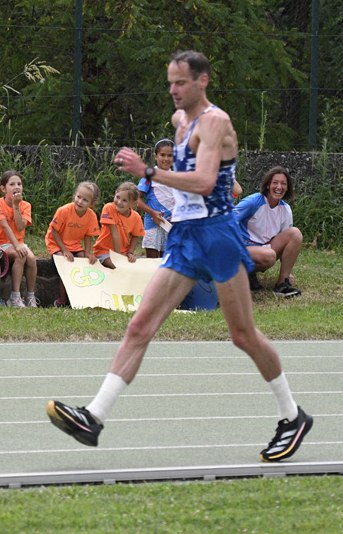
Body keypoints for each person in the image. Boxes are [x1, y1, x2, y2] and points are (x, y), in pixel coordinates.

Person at [47, 50, 312, 463]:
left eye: (180, 82)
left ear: (202, 81)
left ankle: (292, 415)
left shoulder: (216, 122)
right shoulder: (179, 122)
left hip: (218, 236)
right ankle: (93, 416)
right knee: (140, 326)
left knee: (242, 335)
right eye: (169, 82)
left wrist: (147, 172)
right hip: (186, 237)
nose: (172, 90)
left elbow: (207, 181)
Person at [236, 166, 303, 297]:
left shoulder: (285, 209)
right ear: (267, 185)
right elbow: (228, 221)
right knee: (269, 255)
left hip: (263, 249)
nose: (279, 187)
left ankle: (282, 284)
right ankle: (239, 274)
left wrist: (288, 272)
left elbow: (287, 245)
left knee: (295, 233)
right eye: (275, 183)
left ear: (288, 187)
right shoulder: (254, 201)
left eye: (283, 184)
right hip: (241, 248)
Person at [45, 181, 100, 307]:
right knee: (66, 267)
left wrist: (87, 253)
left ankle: (82, 299)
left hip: (74, 244)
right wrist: (64, 250)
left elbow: (88, 235)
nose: (80, 201)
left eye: (85, 200)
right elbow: (54, 232)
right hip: (56, 244)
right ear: (75, 195)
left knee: (85, 265)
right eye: (78, 197)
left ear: (92, 204)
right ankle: (62, 301)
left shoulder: (91, 216)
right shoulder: (63, 211)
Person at [0, 170, 39, 308]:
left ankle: (30, 296)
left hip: (18, 242)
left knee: (31, 258)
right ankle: (15, 296)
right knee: (21, 256)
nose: (16, 187)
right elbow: (5, 227)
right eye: (12, 184)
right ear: (3, 189)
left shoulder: (25, 205)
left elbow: (20, 227)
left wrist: (16, 206)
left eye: (19, 184)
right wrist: (17, 246)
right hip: (1, 243)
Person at [93, 182, 145, 269]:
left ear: (133, 203)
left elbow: (136, 236)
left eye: (125, 200)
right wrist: (118, 258)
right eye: (118, 197)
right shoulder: (108, 208)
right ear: (115, 192)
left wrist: (130, 252)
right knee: (118, 267)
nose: (119, 202)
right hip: (104, 251)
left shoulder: (136, 217)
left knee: (134, 269)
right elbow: (115, 233)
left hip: (123, 252)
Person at [137, 138, 174, 258]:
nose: (166, 159)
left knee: (167, 261)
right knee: (152, 261)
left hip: (170, 225)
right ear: (156, 156)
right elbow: (136, 199)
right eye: (162, 155)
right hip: (153, 224)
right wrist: (152, 213)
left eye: (170, 155)